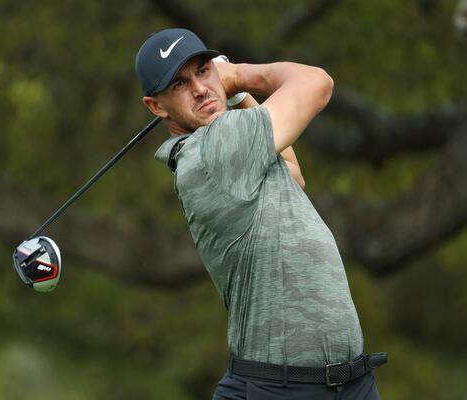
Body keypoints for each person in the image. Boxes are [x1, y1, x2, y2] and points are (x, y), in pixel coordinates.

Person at [135, 28, 387, 399]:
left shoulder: (236, 143)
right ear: (156, 106)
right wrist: (237, 75)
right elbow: (317, 82)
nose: (201, 88)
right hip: (283, 388)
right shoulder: (214, 150)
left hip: (348, 384)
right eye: (178, 84)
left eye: (204, 71)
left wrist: (236, 96)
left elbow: (293, 174)